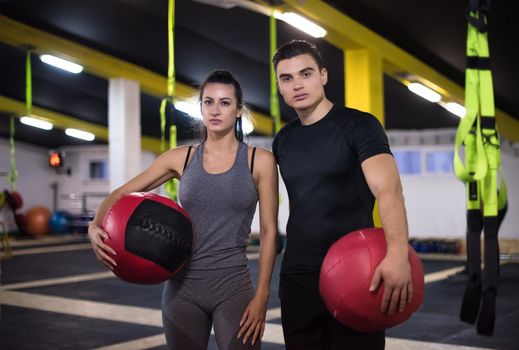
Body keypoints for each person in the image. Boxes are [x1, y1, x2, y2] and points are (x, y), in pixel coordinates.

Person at [88, 70, 278, 350]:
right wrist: (95, 224)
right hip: (182, 290)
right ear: (200, 107)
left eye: (225, 103)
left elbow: (270, 232)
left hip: (234, 287)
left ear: (238, 111)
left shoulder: (259, 161)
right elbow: (120, 194)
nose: (215, 110)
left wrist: (262, 297)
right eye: (208, 102)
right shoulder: (181, 158)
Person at [272, 40, 413, 349]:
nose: (297, 84)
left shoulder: (360, 125)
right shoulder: (283, 140)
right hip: (298, 275)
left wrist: (398, 255)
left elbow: (389, 190)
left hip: (356, 271)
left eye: (305, 73)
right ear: (280, 87)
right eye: (287, 78)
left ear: (323, 75)